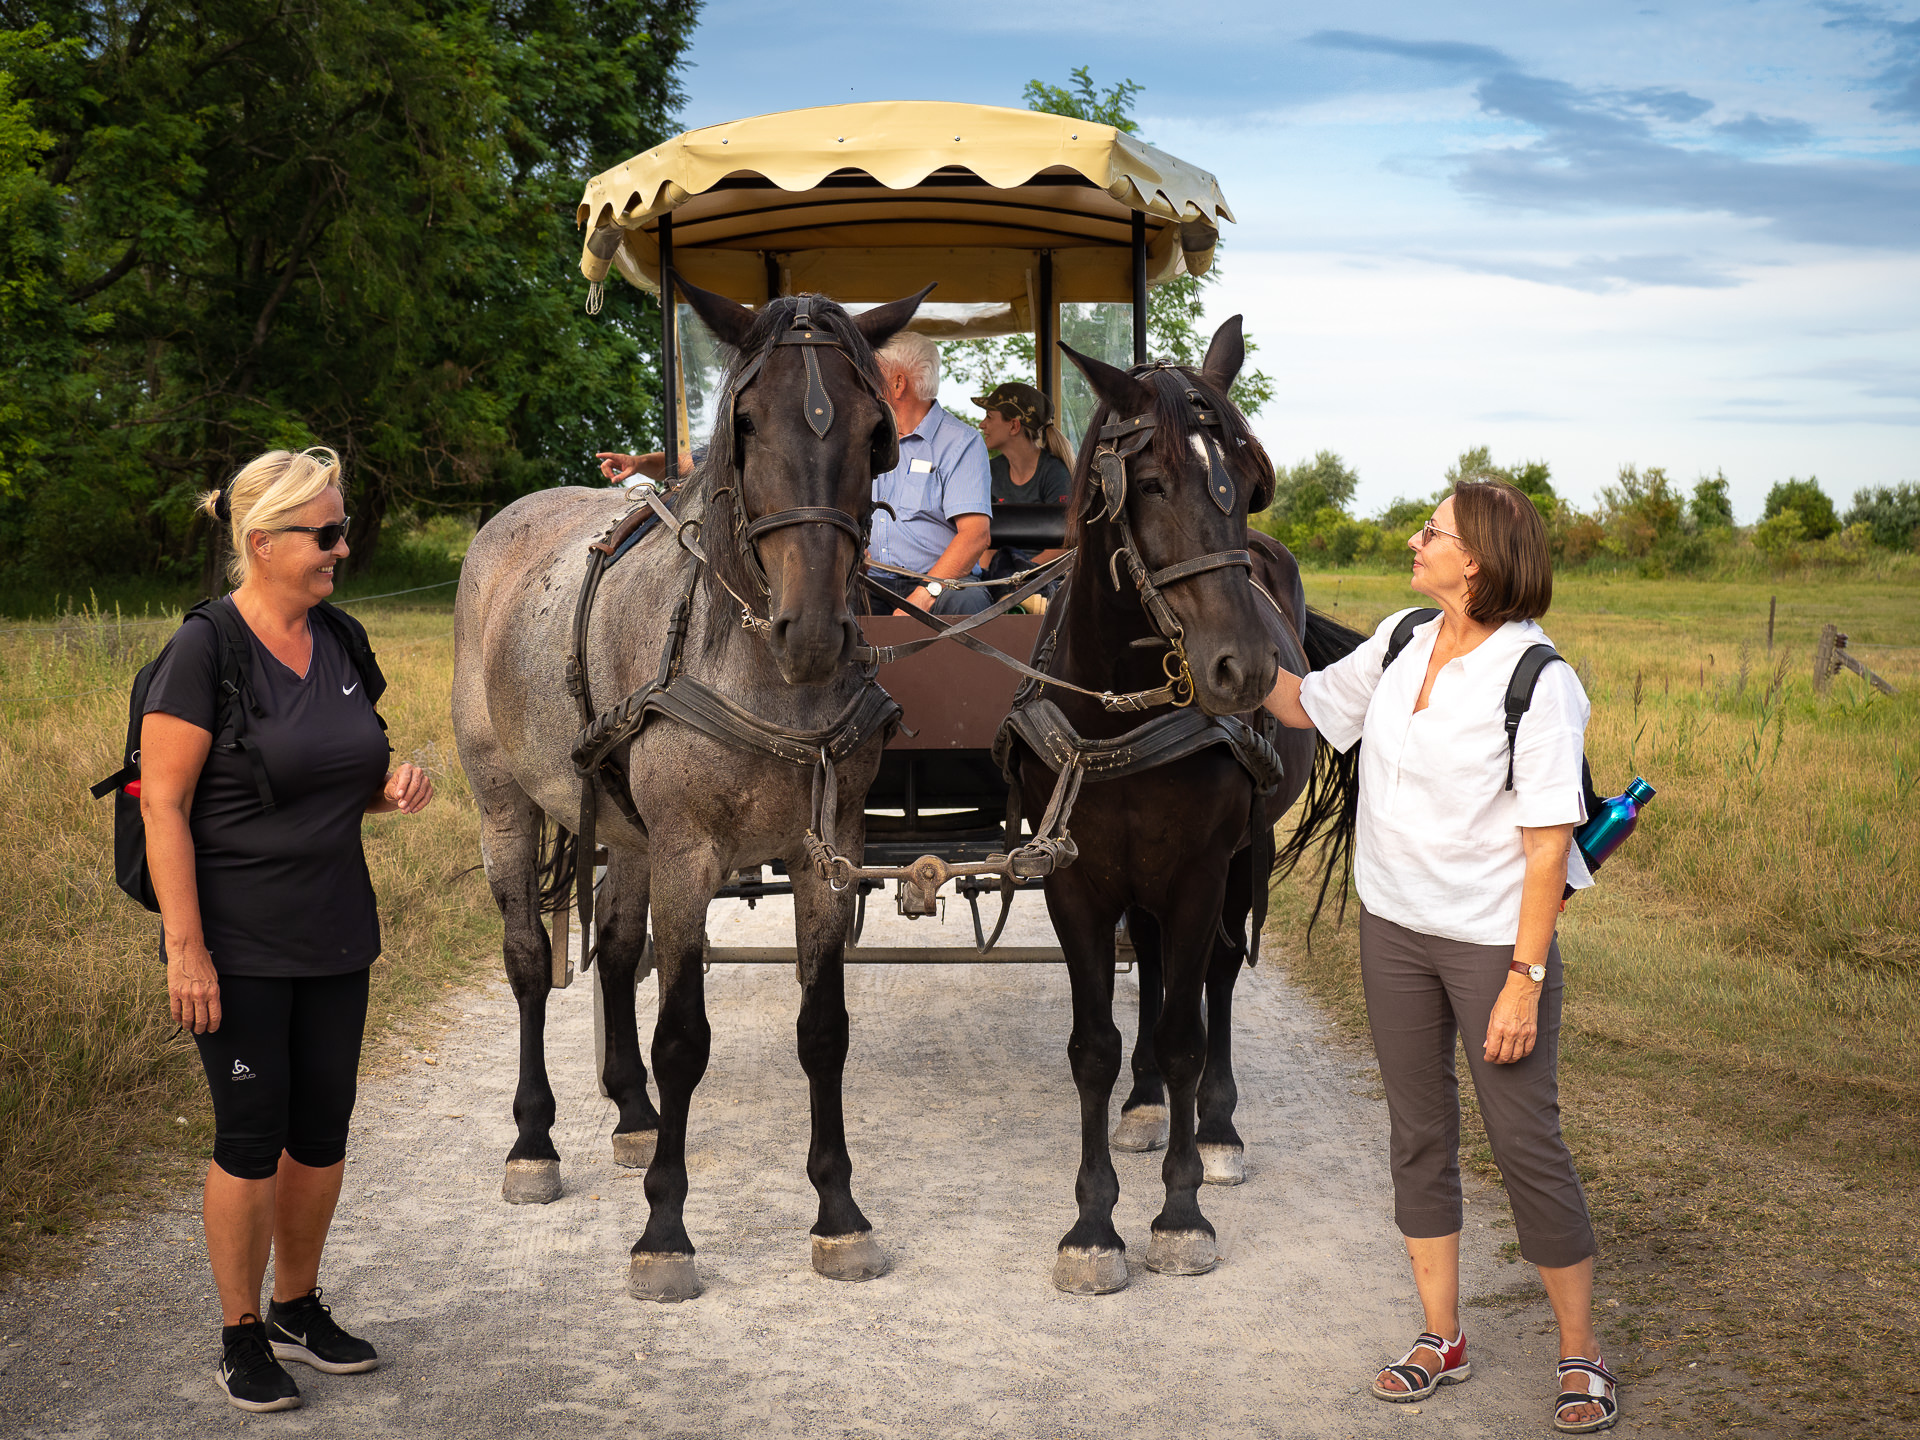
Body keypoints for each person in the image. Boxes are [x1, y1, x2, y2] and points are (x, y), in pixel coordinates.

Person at [1262, 481, 1618, 1435]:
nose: (1415, 540)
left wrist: (1522, 981)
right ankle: (1440, 1337)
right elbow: (1301, 705)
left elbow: (1549, 847)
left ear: (1480, 561)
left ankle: (1580, 1356)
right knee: (1418, 1136)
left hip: (1492, 946)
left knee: (1524, 1143)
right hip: (1396, 933)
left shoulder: (1539, 682)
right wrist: (1210, 627)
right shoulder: (1405, 636)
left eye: (1435, 532)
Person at [142, 447, 435, 1413]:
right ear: (261, 543)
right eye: (326, 534)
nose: (342, 549)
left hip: (336, 932)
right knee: (250, 1138)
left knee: (321, 1132)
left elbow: (350, 772)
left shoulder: (342, 639)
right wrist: (188, 949)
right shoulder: (206, 650)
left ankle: (296, 1307)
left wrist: (393, 788)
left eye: (342, 529)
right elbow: (164, 806)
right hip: (239, 946)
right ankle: (238, 1331)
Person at [866, 331, 993, 616]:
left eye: (872, 374)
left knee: (967, 605)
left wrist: (922, 597)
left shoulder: (962, 442)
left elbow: (975, 536)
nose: (865, 384)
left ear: (898, 384)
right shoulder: (862, 438)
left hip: (941, 583)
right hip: (870, 581)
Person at [973, 381, 1072, 582]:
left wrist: (1021, 576)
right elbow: (985, 539)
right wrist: (988, 580)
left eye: (989, 417)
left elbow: (1065, 547)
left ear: (1014, 425)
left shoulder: (1055, 473)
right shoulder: (991, 471)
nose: (982, 424)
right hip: (1002, 577)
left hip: (1042, 580)